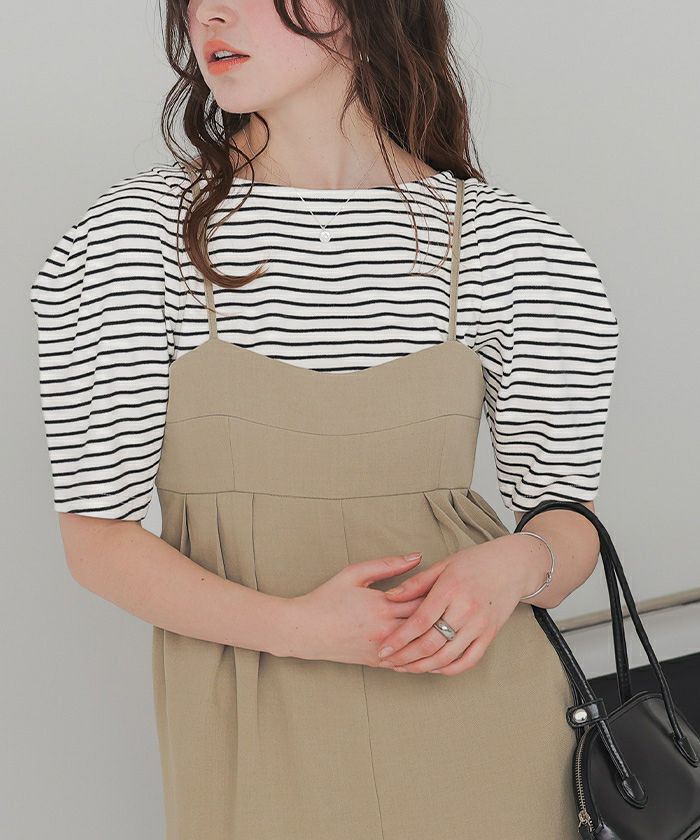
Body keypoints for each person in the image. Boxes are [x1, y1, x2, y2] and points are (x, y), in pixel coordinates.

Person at [29, 1, 619, 838]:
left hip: (484, 721)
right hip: (256, 727)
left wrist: (513, 566)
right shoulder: (130, 239)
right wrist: (299, 628)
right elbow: (97, 539)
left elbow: (567, 521)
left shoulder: (515, 244)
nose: (211, 14)